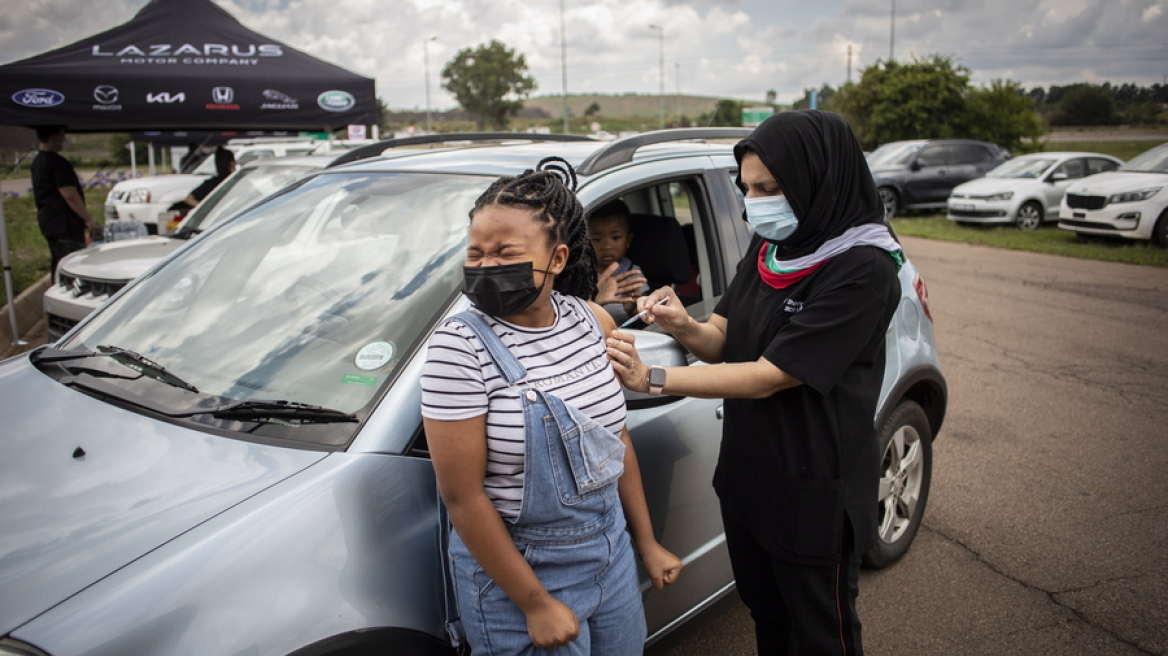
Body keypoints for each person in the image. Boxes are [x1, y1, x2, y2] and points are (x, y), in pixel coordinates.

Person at [606, 111, 904, 656]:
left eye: (769, 187)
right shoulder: (770, 249)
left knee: (821, 634)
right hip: (750, 476)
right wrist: (683, 326)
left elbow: (770, 376)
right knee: (767, 617)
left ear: (818, 179)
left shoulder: (863, 268)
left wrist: (653, 376)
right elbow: (724, 336)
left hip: (813, 487)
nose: (754, 202)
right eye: (747, 187)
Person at [421, 157, 682, 655]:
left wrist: (645, 543)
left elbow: (614, 442)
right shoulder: (459, 348)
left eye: (505, 253)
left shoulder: (592, 320)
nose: (486, 266)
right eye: (475, 253)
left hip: (611, 555)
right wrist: (535, 602)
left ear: (558, 259)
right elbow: (462, 497)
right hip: (519, 577)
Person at [30, 126, 99, 277]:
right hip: (64, 222)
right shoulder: (58, 163)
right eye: (61, 137)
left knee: (58, 259)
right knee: (70, 262)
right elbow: (69, 194)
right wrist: (87, 219)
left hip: (50, 221)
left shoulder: (37, 162)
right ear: (54, 137)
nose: (63, 141)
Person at [587, 199, 648, 324]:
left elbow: (645, 317)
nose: (607, 246)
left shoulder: (633, 273)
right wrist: (594, 300)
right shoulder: (582, 273)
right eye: (597, 239)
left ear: (628, 240)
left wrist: (633, 310)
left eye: (615, 238)